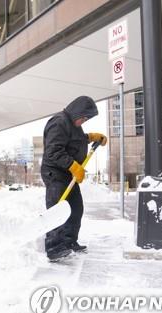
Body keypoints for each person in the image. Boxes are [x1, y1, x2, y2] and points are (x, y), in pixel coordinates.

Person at [41, 96, 107, 260]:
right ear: (77, 112)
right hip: (55, 173)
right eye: (84, 117)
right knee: (57, 210)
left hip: (67, 173)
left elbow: (76, 141)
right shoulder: (59, 122)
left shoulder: (72, 125)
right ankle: (54, 248)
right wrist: (74, 166)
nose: (84, 121)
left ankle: (69, 241)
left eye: (87, 119)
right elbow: (53, 151)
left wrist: (91, 137)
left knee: (76, 208)